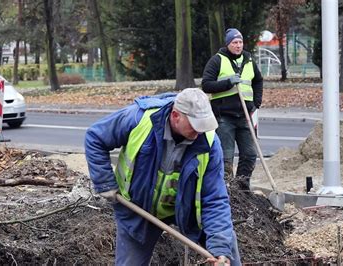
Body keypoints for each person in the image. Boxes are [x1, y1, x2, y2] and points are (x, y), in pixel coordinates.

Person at [85, 88, 241, 265]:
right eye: (195, 124)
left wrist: (219, 248)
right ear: (176, 116)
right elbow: (95, 138)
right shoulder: (139, 119)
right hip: (139, 208)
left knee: (227, 251)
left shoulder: (209, 143)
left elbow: (214, 198)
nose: (200, 131)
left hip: (186, 209)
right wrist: (105, 183)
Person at [201, 28, 263, 190]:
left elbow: (258, 81)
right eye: (234, 42)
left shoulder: (249, 60)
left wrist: (257, 101)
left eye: (240, 42)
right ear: (228, 44)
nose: (238, 45)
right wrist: (227, 83)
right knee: (226, 158)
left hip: (245, 116)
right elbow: (206, 85)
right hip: (224, 117)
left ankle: (242, 189)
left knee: (249, 155)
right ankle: (226, 190)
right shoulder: (217, 60)